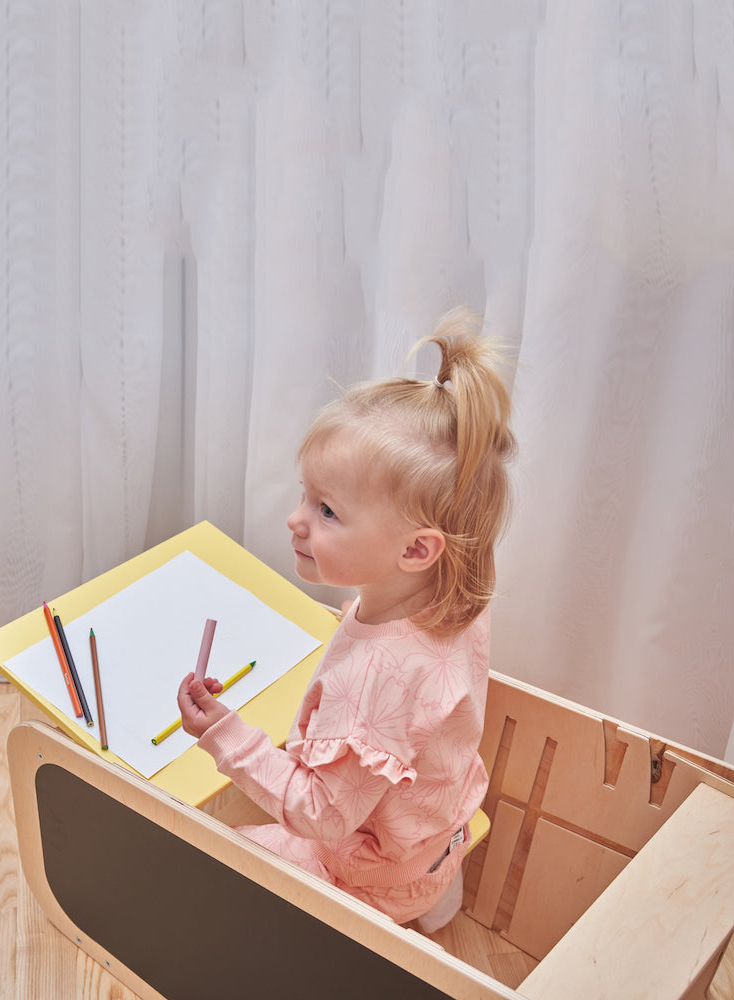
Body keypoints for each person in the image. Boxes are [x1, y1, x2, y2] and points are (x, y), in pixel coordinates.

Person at [177, 307, 516, 931]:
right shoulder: (453, 598)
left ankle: (368, 942)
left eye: (327, 510)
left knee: (212, 860)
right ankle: (436, 908)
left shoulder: (376, 682)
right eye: (306, 494)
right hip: (439, 836)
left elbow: (322, 817)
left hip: (367, 876)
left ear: (415, 549)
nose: (296, 520)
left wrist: (226, 736)